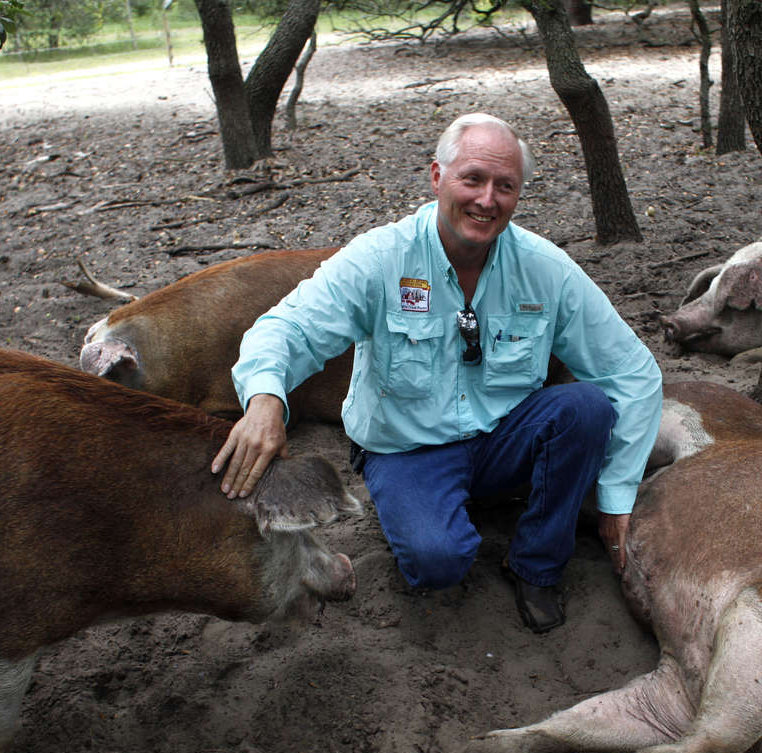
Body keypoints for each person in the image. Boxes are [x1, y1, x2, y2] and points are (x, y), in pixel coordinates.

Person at [212, 112, 662, 633]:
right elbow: (285, 327)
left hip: (501, 439)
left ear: (519, 195)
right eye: (472, 179)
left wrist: (617, 494)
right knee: (436, 563)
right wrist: (266, 399)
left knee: (585, 407)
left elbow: (633, 373)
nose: (487, 200)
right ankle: (426, 510)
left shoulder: (547, 270)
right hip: (408, 449)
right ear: (436, 177)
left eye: (505, 186)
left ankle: (536, 564)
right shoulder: (381, 259)